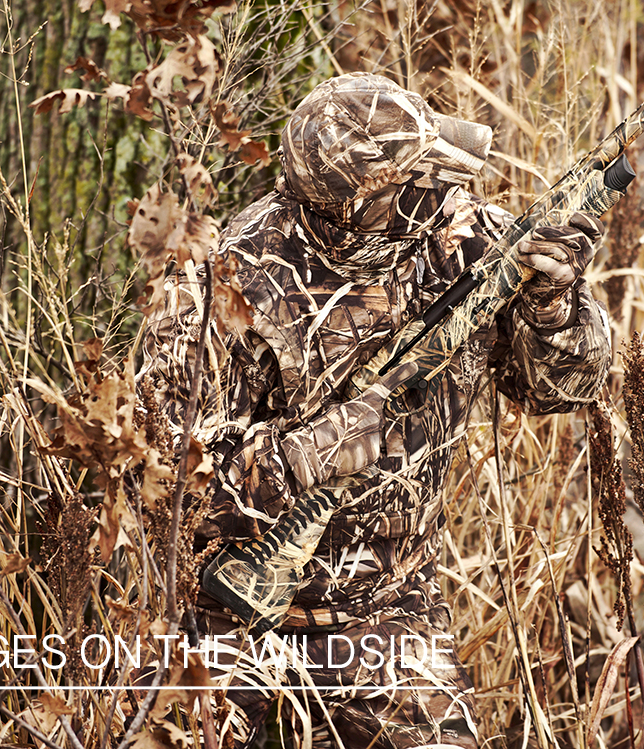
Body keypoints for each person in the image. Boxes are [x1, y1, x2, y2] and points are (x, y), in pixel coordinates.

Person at [138, 72, 611, 749]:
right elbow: (165, 487)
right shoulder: (220, 282)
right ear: (364, 205)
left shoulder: (470, 242)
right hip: (215, 613)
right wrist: (307, 453)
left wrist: (556, 304)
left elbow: (563, 392)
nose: (451, 190)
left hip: (386, 606)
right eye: (421, 180)